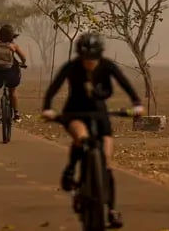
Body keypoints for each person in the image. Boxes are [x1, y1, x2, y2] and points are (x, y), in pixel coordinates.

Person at [41, 32, 144, 229]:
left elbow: (125, 84)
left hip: (99, 113)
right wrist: (47, 108)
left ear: (100, 55)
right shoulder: (71, 67)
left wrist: (137, 104)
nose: (89, 62)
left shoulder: (107, 66)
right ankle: (71, 169)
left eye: (93, 58)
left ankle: (111, 210)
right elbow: (53, 88)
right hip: (75, 112)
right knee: (82, 138)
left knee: (107, 161)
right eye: (86, 58)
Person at [0, 24, 29, 125]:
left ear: (0, 34)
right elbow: (23, 58)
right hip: (10, 73)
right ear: (11, 35)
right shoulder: (13, 46)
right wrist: (23, 63)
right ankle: (16, 114)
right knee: (12, 91)